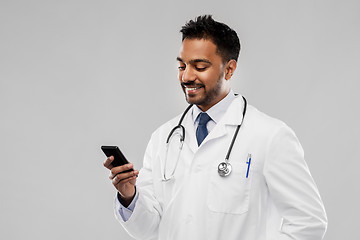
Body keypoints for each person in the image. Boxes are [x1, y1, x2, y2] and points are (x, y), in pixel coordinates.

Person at [103, 15, 328, 240]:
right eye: (181, 66)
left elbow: (309, 222)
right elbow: (148, 230)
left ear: (229, 69)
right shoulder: (163, 138)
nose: (187, 76)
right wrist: (129, 195)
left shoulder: (270, 136)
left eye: (199, 66)